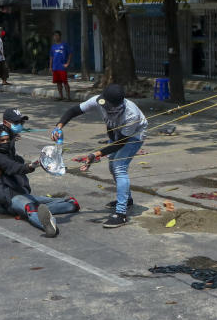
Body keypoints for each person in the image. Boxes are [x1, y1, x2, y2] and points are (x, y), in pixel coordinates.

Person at [52, 83, 147, 228]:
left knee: (119, 167)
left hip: (133, 136)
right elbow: (74, 110)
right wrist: (58, 127)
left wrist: (95, 154)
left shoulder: (131, 114)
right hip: (116, 133)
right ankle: (127, 200)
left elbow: (119, 144)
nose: (103, 106)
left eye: (107, 105)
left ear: (117, 105)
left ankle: (121, 214)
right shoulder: (99, 101)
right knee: (112, 165)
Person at [0, 125, 79, 237]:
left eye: (7, 139)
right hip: (11, 198)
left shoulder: (12, 155)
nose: (6, 142)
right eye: (2, 140)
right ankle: (47, 225)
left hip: (23, 194)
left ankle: (55, 209)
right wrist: (34, 164)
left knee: (69, 204)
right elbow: (16, 168)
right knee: (31, 207)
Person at [50, 31, 72, 101]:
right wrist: (50, 66)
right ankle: (61, 96)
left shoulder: (64, 45)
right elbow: (51, 57)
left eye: (57, 35)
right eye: (54, 36)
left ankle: (68, 97)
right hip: (55, 67)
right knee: (58, 82)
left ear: (60, 36)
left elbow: (70, 54)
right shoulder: (53, 47)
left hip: (62, 67)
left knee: (65, 82)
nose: (56, 37)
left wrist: (67, 63)